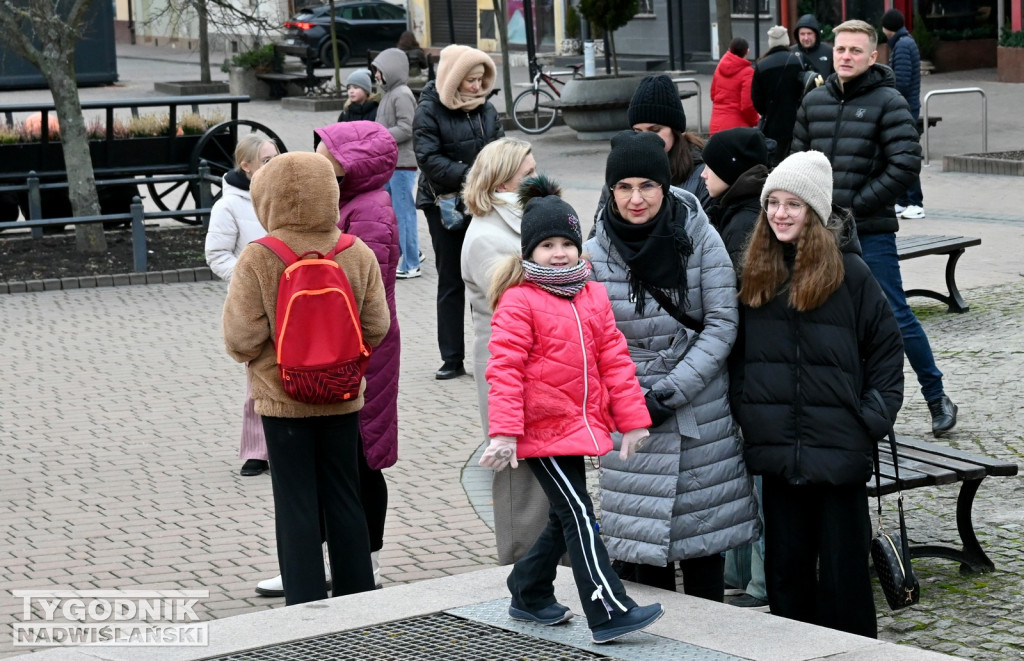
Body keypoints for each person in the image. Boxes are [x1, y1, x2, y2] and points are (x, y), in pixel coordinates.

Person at [481, 183, 664, 644]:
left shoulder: (592, 295)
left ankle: (528, 590)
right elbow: (504, 369)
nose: (559, 253)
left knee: (567, 517)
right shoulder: (519, 300)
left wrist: (633, 420)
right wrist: (504, 433)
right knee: (580, 512)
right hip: (539, 430)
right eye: (547, 245)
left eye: (567, 243)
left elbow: (615, 361)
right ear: (530, 251)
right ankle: (609, 609)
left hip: (577, 428)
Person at [732, 150, 905, 636]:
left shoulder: (851, 275)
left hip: (839, 449)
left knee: (845, 580)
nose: (780, 213)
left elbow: (888, 352)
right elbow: (738, 357)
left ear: (815, 210)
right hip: (778, 451)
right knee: (786, 576)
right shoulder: (756, 273)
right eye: (773, 203)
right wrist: (750, 411)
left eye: (793, 204)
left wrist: (868, 418)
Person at [586, 131, 760, 601]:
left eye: (647, 185)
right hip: (630, 414)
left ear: (665, 186)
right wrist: (630, 400)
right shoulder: (595, 252)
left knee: (703, 552)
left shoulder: (700, 236)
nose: (636, 198)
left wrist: (670, 393)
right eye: (624, 187)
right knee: (642, 559)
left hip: (696, 412)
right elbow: (592, 339)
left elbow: (722, 324)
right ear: (610, 190)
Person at [222, 151, 390, 605]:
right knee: (345, 493)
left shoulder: (260, 256)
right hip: (342, 393)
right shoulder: (355, 251)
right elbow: (377, 326)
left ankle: (305, 603)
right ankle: (358, 596)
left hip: (283, 400)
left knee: (295, 500)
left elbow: (240, 339)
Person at [793, 19, 958, 437]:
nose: (845, 56)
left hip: (870, 230)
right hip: (821, 232)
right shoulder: (814, 101)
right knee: (825, 318)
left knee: (895, 314)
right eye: (840, 49)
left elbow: (905, 164)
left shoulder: (889, 101)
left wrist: (855, 206)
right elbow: (796, 163)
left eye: (855, 50)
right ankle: (840, 406)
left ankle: (936, 395)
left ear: (872, 55)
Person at [460, 139, 552, 565]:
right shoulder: (487, 236)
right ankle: (521, 568)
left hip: (536, 361)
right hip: (508, 365)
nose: (538, 177)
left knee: (541, 470)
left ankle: (547, 566)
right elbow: (518, 305)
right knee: (519, 472)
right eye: (527, 172)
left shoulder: (519, 219)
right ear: (502, 181)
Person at [700, 127, 772, 611]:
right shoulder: (732, 211)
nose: (703, 174)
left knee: (754, 476)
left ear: (730, 169)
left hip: (750, 367)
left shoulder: (743, 222)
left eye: (711, 166)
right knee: (741, 472)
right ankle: (739, 572)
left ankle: (761, 582)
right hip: (744, 364)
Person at [413, 44, 504, 380]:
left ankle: (493, 354)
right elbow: (428, 158)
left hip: (483, 203)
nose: (478, 87)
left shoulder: (487, 109)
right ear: (453, 78)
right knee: (451, 279)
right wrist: (475, 176)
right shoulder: (429, 109)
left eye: (481, 80)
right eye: (470, 80)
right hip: (444, 204)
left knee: (488, 279)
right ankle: (451, 358)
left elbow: (501, 149)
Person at [204, 133, 279, 477]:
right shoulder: (227, 206)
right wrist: (252, 278)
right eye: (266, 160)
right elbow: (216, 254)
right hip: (253, 304)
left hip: (290, 298)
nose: (274, 165)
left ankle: (287, 445)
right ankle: (256, 451)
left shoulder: (282, 194)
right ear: (246, 166)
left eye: (276, 157)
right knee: (258, 378)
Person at [371, 48, 421, 279]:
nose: (376, 75)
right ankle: (409, 254)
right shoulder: (389, 94)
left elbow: (407, 127)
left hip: (402, 165)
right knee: (391, 215)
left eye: (379, 71)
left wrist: (379, 136)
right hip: (391, 163)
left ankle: (411, 264)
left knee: (404, 215)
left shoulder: (401, 94)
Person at [882, 9, 925, 219]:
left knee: (906, 154)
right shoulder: (903, 42)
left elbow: (902, 81)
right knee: (899, 154)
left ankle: (915, 202)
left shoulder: (902, 45)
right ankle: (903, 200)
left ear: (887, 28)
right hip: (906, 107)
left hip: (906, 108)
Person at [752, 26, 809, 165]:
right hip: (797, 121)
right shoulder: (799, 60)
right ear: (786, 41)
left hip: (773, 122)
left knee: (775, 161)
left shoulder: (761, 64)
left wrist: (767, 110)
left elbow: (756, 99)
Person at [710, 38, 759, 135]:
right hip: (738, 127)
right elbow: (747, 106)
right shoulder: (748, 72)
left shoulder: (719, 67)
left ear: (730, 49)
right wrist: (755, 120)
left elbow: (713, 95)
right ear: (747, 52)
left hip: (716, 125)